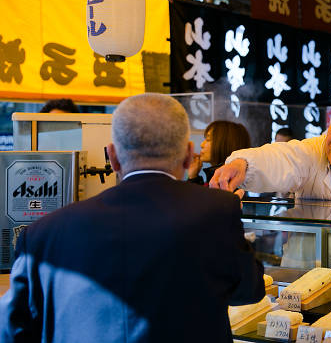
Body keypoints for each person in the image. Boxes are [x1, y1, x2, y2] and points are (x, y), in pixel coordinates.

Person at [0, 93, 265, 342]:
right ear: (187, 154)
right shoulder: (217, 210)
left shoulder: (41, 234)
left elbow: (14, 330)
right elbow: (250, 290)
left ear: (112, 157)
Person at [188, 120, 251, 185]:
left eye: (208, 139)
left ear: (225, 144)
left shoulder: (227, 182)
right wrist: (193, 177)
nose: (202, 145)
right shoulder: (216, 177)